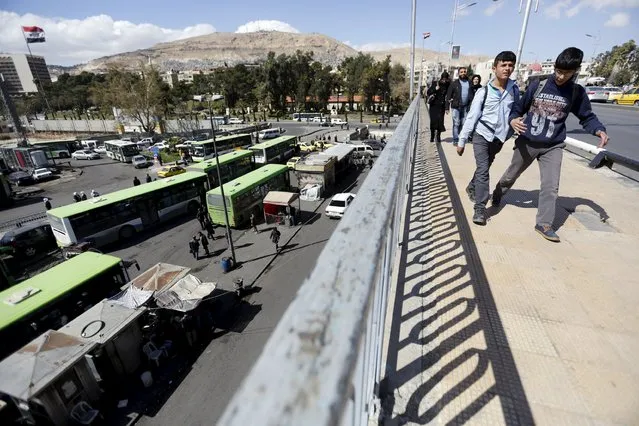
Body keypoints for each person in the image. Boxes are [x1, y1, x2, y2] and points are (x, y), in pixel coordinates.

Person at [493, 47, 609, 243]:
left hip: (553, 145)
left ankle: (544, 223)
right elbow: (517, 108)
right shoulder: (538, 85)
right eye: (558, 71)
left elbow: (587, 116)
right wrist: (513, 120)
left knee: (551, 186)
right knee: (511, 175)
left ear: (575, 71)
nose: (561, 76)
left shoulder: (575, 92)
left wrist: (598, 129)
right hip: (527, 142)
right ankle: (498, 193)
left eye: (566, 72)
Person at [457, 51, 519, 226]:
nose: (507, 69)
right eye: (503, 65)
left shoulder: (514, 90)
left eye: (510, 65)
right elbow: (472, 116)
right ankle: (480, 208)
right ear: (494, 68)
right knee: (484, 170)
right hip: (481, 135)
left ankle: (472, 186)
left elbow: (516, 112)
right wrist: (461, 141)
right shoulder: (484, 92)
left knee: (485, 165)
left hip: (499, 138)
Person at [446, 67, 476, 146]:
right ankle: (455, 140)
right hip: (456, 106)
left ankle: (460, 136)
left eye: (464, 72)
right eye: (461, 72)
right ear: (458, 73)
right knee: (456, 123)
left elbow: (473, 93)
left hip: (466, 107)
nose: (463, 73)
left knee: (463, 123)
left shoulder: (470, 82)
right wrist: (447, 108)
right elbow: (448, 95)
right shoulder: (454, 83)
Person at [426, 72, 450, 142]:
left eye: (446, 79)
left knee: (440, 122)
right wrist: (435, 89)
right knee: (433, 121)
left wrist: (447, 107)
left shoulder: (448, 85)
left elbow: (449, 95)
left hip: (441, 106)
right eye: (443, 79)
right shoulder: (435, 83)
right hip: (433, 105)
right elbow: (428, 92)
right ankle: (432, 136)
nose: (444, 80)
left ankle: (438, 136)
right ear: (441, 78)